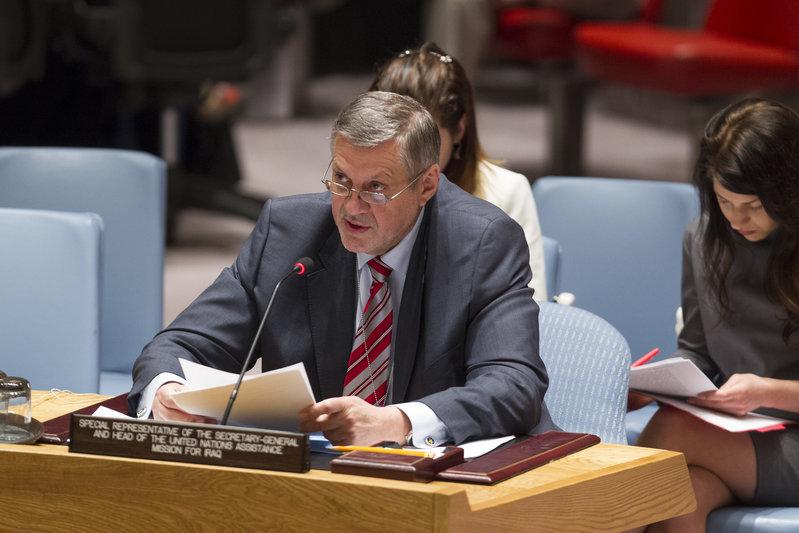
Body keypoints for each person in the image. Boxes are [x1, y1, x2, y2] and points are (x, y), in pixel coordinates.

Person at [128, 91, 554, 447]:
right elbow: (181, 344)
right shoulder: (288, 234)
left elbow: (513, 383)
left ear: (426, 184)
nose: (351, 207)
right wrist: (167, 391)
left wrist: (398, 421)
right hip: (319, 479)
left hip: (445, 479)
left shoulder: (481, 243)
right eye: (341, 180)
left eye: (376, 188)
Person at [633, 98, 799, 530]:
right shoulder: (704, 238)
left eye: (754, 205)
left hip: (789, 436)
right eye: (725, 201)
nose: (737, 218)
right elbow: (697, 352)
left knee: (670, 434)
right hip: (741, 429)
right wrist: (655, 385)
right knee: (679, 497)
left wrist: (767, 391)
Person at [370, 42, 549, 301]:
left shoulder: (507, 192)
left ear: (459, 130)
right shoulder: (356, 185)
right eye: (391, 137)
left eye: (424, 141)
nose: (405, 157)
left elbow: (530, 307)